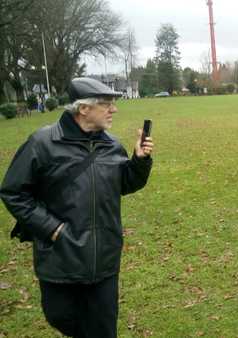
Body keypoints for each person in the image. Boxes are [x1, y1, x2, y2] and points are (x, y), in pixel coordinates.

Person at [0, 77, 154, 338]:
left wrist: (139, 161)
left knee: (102, 329)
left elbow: (124, 184)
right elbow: (13, 192)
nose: (113, 109)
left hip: (104, 256)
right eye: (106, 104)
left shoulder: (111, 145)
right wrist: (53, 229)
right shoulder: (42, 143)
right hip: (61, 255)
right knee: (59, 316)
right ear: (84, 109)